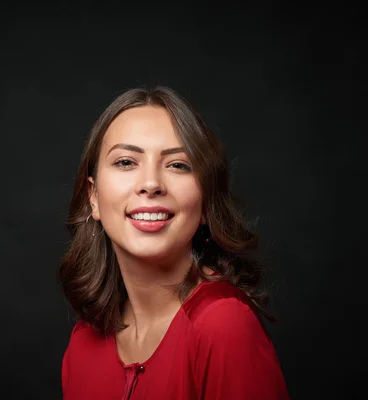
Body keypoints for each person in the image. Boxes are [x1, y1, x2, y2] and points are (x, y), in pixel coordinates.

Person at [58, 86, 289, 399]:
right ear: (93, 197)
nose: (151, 183)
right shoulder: (83, 344)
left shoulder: (224, 325)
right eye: (126, 162)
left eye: (178, 164)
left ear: (206, 202)